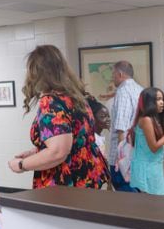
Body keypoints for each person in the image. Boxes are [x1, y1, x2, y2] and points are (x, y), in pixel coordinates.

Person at [8, 45, 109, 189]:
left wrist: (21, 165)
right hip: (88, 176)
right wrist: (36, 152)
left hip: (66, 183)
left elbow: (58, 151)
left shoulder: (51, 101)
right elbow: (73, 141)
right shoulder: (75, 97)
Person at [129, 87, 164, 195]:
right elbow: (154, 147)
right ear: (149, 102)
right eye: (158, 99)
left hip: (153, 167)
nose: (162, 103)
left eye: (162, 99)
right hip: (148, 169)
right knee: (156, 202)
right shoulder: (146, 119)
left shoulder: (154, 119)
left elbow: (155, 144)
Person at [107, 60, 144, 191]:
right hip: (138, 153)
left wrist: (121, 161)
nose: (112, 78)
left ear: (120, 74)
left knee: (126, 196)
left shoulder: (123, 92)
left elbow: (121, 128)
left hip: (124, 157)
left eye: (113, 75)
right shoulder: (141, 90)